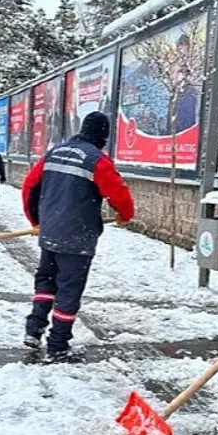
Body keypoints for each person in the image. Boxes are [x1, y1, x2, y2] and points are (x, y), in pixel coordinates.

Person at [21, 112, 135, 361]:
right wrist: (125, 214)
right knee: (69, 290)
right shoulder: (97, 160)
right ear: (103, 136)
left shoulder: (54, 153)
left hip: (51, 232)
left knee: (46, 282)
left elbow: (30, 187)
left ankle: (34, 328)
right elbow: (119, 194)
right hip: (77, 237)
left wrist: (36, 222)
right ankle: (58, 344)